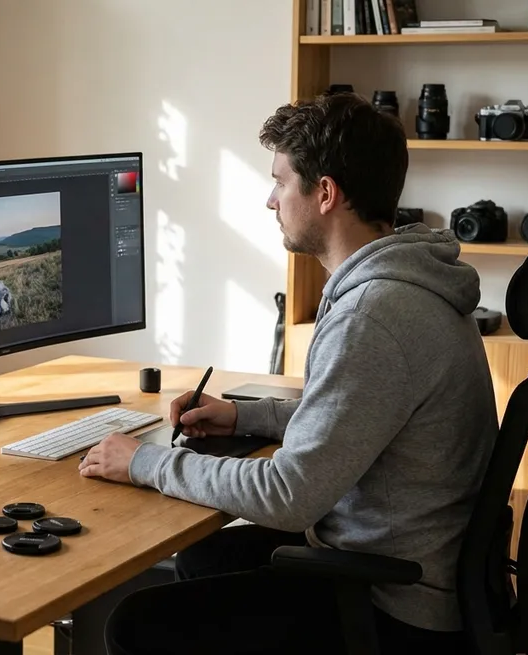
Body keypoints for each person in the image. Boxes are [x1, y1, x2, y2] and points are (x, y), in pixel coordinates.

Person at [78, 92, 499, 654]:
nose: (270, 200)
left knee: (134, 625)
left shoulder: (373, 315)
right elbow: (360, 413)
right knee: (207, 557)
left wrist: (145, 462)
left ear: (325, 193)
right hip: (412, 566)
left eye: (280, 182)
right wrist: (244, 416)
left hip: (394, 605)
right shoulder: (408, 282)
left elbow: (287, 496)